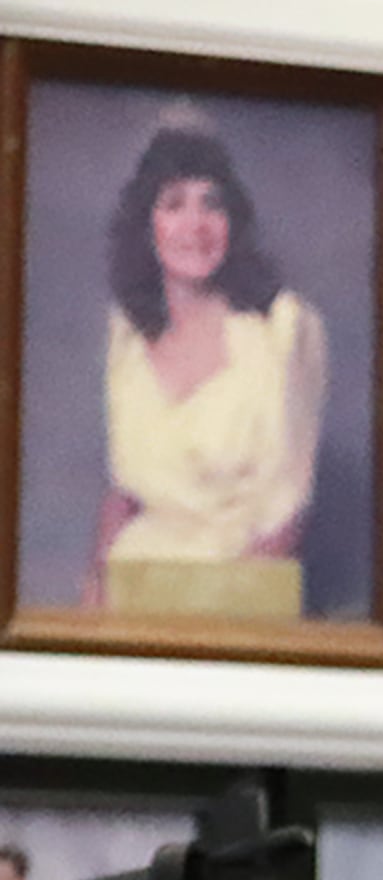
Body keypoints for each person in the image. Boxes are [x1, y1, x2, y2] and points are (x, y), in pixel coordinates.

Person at [81, 114, 328, 613]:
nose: (194, 226)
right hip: (133, 593)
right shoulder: (126, 332)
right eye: (173, 204)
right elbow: (123, 496)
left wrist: (212, 623)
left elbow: (288, 520)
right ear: (146, 224)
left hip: (242, 598)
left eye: (211, 204)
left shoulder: (284, 328)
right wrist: (93, 599)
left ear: (233, 221)